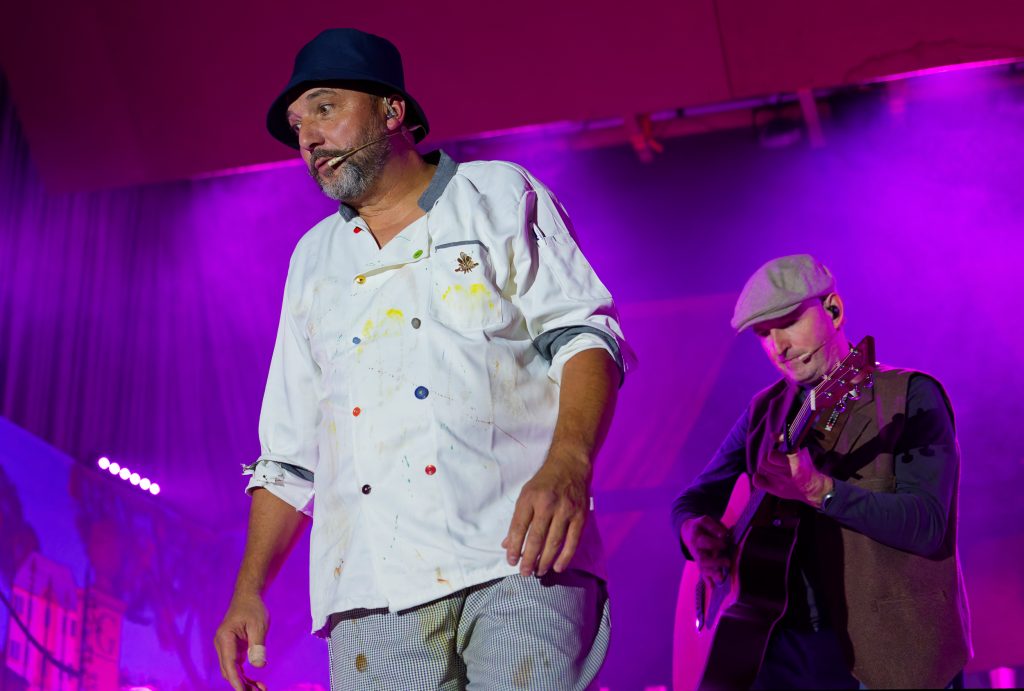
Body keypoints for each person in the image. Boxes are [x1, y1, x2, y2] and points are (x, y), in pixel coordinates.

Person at [213, 29, 632, 691]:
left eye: (324, 109)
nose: (308, 138)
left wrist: (569, 462)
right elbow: (289, 455)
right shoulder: (314, 259)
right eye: (297, 126)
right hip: (370, 589)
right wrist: (249, 589)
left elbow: (584, 337)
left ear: (392, 110)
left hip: (517, 552)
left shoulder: (497, 195)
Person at [672, 254, 971, 689]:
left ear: (833, 310)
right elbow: (691, 501)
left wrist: (820, 490)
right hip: (783, 652)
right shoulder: (764, 411)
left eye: (788, 323)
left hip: (893, 651)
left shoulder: (910, 397)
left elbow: (927, 526)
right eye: (763, 334)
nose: (778, 347)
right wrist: (693, 534)